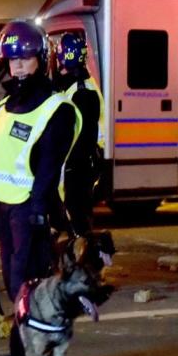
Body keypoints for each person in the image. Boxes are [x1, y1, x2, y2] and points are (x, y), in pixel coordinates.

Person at [0, 20, 82, 356]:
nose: (19, 67)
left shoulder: (56, 108)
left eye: (25, 59)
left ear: (41, 59)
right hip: (8, 213)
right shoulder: (1, 108)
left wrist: (40, 211)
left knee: (33, 292)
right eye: (13, 60)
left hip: (33, 214)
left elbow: (50, 165)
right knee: (17, 289)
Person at [53, 32, 104, 237]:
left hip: (79, 166)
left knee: (79, 221)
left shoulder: (82, 92)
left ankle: (85, 262)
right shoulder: (76, 85)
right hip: (78, 165)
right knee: (73, 218)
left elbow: (83, 136)